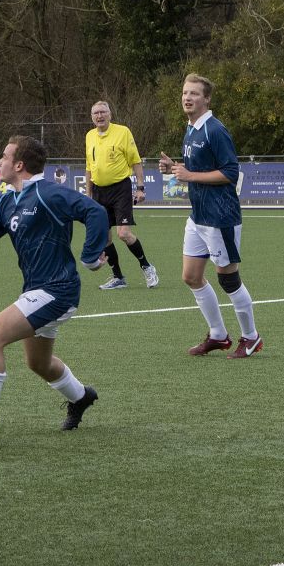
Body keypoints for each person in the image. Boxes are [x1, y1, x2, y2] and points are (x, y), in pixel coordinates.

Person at [0, 135, 108, 447]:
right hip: (38, 291)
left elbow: (95, 212)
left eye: (3, 156)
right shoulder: (5, 202)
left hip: (57, 290)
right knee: (38, 364)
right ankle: (82, 397)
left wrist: (90, 255)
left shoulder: (49, 193)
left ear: (19, 164)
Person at [158, 75, 262, 359]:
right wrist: (175, 168)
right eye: (184, 93)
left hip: (220, 217)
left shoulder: (215, 130)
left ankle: (251, 337)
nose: (187, 97)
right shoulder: (191, 128)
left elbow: (230, 173)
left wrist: (189, 175)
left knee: (229, 280)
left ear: (207, 99)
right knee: (191, 277)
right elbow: (197, 168)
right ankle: (218, 335)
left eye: (193, 93)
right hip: (198, 216)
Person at [85, 101, 159, 290]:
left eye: (102, 112)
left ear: (110, 114)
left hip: (120, 189)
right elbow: (89, 168)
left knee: (123, 233)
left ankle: (147, 267)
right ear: (92, 117)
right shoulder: (90, 136)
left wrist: (141, 188)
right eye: (95, 113)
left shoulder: (123, 132)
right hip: (99, 192)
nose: (99, 116)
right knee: (105, 238)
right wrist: (88, 194)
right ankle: (118, 277)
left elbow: (135, 160)